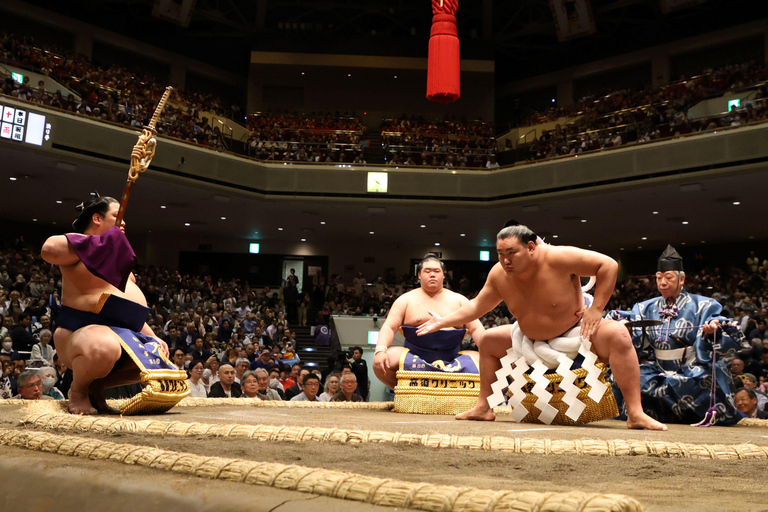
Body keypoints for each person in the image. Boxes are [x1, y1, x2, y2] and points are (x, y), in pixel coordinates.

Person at [418, 224, 666, 430]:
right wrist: (444, 320)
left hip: (576, 332)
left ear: (531, 247)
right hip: (527, 339)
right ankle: (484, 407)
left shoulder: (558, 258)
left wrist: (596, 309)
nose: (505, 260)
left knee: (619, 334)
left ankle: (635, 413)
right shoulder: (498, 274)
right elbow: (476, 307)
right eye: (500, 254)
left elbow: (608, 265)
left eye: (512, 253)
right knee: (488, 340)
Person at [41, 196, 173, 414]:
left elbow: (128, 313)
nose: (123, 223)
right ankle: (78, 391)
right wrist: (102, 241)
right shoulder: (78, 245)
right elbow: (49, 250)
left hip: (121, 330)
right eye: (116, 216)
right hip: (80, 332)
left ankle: (97, 386)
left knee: (156, 353)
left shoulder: (118, 260)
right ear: (96, 218)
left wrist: (153, 337)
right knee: (104, 348)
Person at [608, 245, 743, 426]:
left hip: (692, 366)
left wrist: (712, 332)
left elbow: (721, 325)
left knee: (710, 376)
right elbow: (632, 333)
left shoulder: (704, 305)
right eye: (658, 278)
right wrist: (624, 327)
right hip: (658, 367)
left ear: (682, 279)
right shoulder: (644, 307)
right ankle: (640, 415)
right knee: (624, 375)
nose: (662, 282)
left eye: (668, 277)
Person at [374, 254, 484, 390]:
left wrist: (487, 351)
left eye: (437, 271)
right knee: (383, 361)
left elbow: (477, 329)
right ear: (419, 275)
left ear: (444, 275)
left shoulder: (460, 300)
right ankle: (404, 392)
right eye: (427, 271)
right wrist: (380, 350)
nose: (432, 274)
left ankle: (472, 400)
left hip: (453, 357)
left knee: (485, 361)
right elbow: (389, 327)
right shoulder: (405, 300)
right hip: (414, 356)